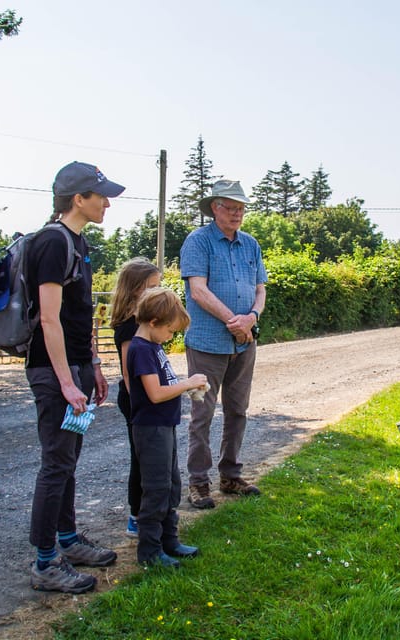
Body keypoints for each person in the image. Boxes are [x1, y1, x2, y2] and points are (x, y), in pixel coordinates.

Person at [25, 161, 123, 593]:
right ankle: (46, 561)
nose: (106, 203)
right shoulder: (51, 242)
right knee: (56, 464)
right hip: (53, 372)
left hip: (77, 370)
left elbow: (80, 316)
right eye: (99, 195)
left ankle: (67, 540)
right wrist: (66, 382)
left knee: (68, 462)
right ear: (77, 199)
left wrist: (95, 368)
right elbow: (49, 321)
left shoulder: (78, 244)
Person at [180, 180, 267, 509]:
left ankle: (230, 476)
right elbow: (198, 291)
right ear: (214, 207)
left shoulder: (250, 244)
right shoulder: (198, 242)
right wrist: (235, 320)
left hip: (245, 343)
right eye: (230, 207)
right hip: (207, 342)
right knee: (202, 414)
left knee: (237, 411)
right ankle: (198, 483)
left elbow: (261, 289)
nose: (237, 213)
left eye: (241, 208)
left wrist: (251, 319)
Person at [126, 287, 208, 567]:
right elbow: (156, 394)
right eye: (170, 331)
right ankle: (149, 552)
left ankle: (169, 541)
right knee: (156, 488)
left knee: (171, 484)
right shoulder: (141, 350)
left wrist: (187, 384)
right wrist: (188, 383)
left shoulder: (153, 346)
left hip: (164, 426)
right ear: (153, 323)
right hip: (151, 430)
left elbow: (166, 385)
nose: (171, 337)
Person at [109, 257, 162, 537]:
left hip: (146, 401)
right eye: (151, 287)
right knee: (140, 459)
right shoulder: (129, 326)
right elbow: (130, 373)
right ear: (134, 290)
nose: (157, 292)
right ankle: (136, 515)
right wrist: (142, 407)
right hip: (138, 402)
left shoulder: (142, 322)